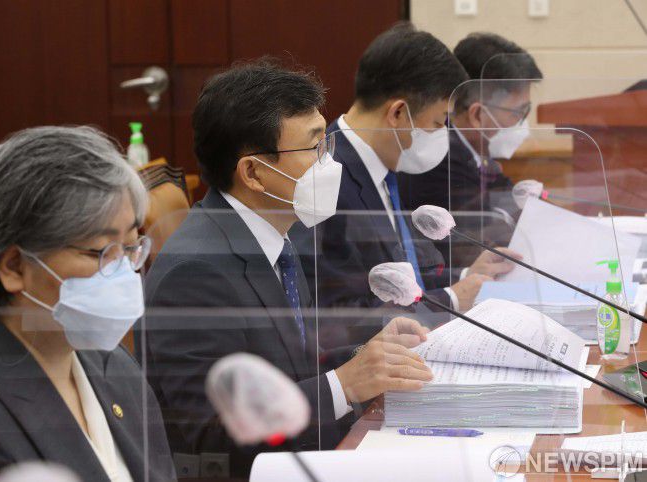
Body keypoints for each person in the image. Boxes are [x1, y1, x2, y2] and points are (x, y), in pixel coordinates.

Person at [142, 60, 433, 477]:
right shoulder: (194, 275)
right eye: (314, 149)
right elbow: (214, 437)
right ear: (254, 173)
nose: (329, 163)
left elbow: (293, 361)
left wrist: (368, 349)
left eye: (326, 144)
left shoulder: (281, 233)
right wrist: (344, 384)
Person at [0, 126, 176, 482]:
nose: (122, 272)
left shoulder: (114, 365)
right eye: (99, 252)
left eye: (131, 246)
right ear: (14, 267)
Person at [291, 24, 518, 333]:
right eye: (438, 122)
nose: (443, 134)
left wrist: (464, 276)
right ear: (398, 113)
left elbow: (399, 278)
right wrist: (451, 299)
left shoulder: (381, 166)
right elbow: (337, 313)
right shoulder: (326, 180)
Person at [399, 32, 543, 219]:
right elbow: (477, 231)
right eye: (517, 112)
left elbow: (503, 193)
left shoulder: (474, 149)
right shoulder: (441, 162)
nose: (522, 122)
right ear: (477, 115)